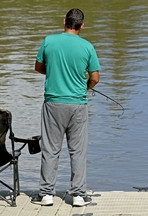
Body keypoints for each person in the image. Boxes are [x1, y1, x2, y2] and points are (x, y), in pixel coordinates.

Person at [31, 8, 101, 207]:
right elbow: (95, 78)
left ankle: (46, 195)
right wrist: (85, 88)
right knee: (77, 151)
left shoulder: (49, 41)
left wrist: (53, 71)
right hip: (78, 105)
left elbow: (38, 67)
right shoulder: (87, 47)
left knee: (50, 149)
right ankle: (78, 195)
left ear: (64, 22)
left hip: (53, 104)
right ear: (82, 26)